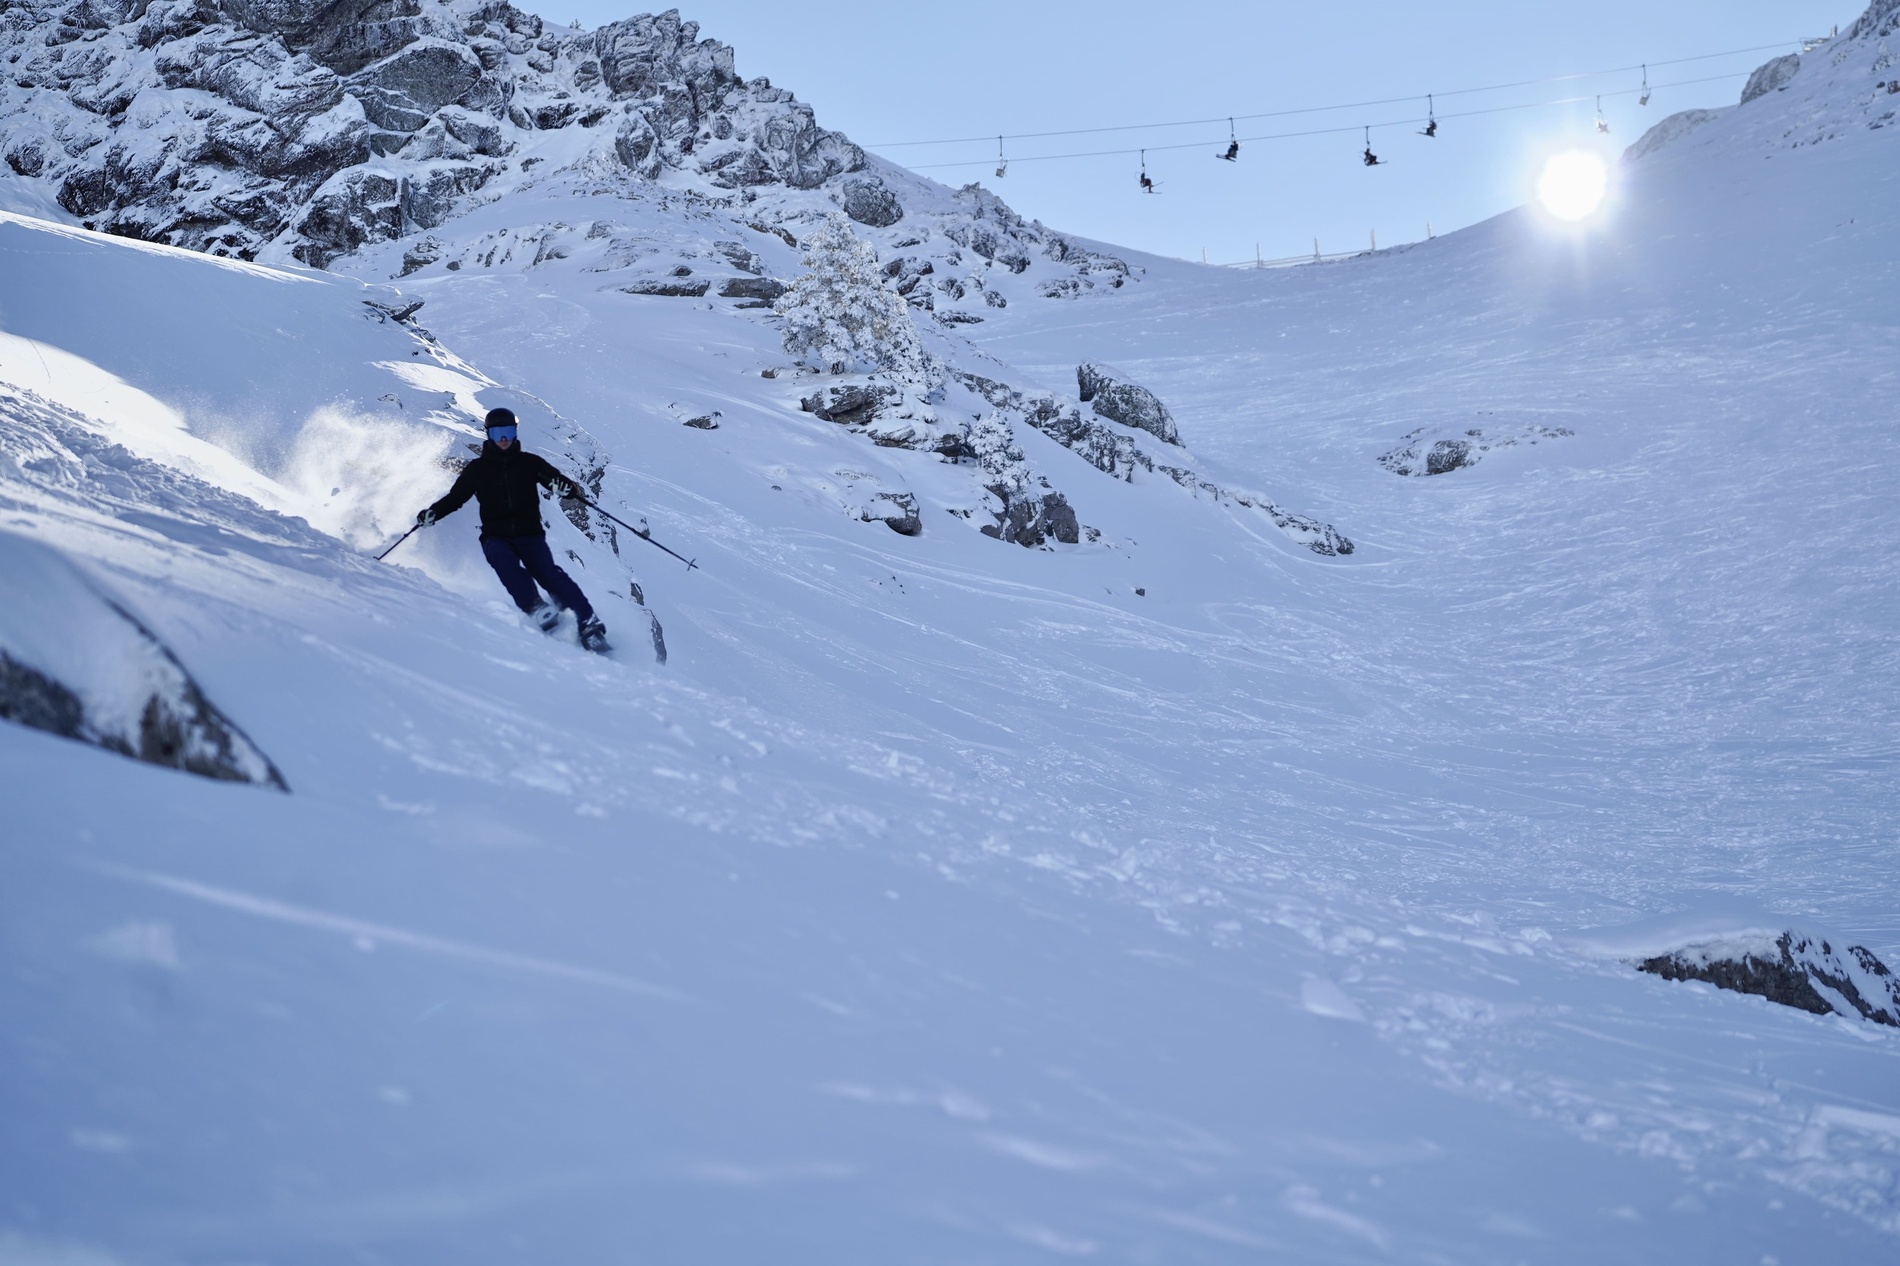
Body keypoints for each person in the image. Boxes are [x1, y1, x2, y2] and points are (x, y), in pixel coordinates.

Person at [417, 407, 609, 652]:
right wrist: (433, 513)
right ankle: (535, 606)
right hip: (496, 536)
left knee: (548, 573)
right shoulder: (477, 469)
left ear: (515, 432)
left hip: (530, 535)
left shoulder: (530, 463)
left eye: (508, 432)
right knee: (503, 562)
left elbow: (557, 482)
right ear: (489, 435)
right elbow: (456, 498)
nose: (504, 438)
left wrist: (566, 488)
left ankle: (587, 622)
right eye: (498, 433)